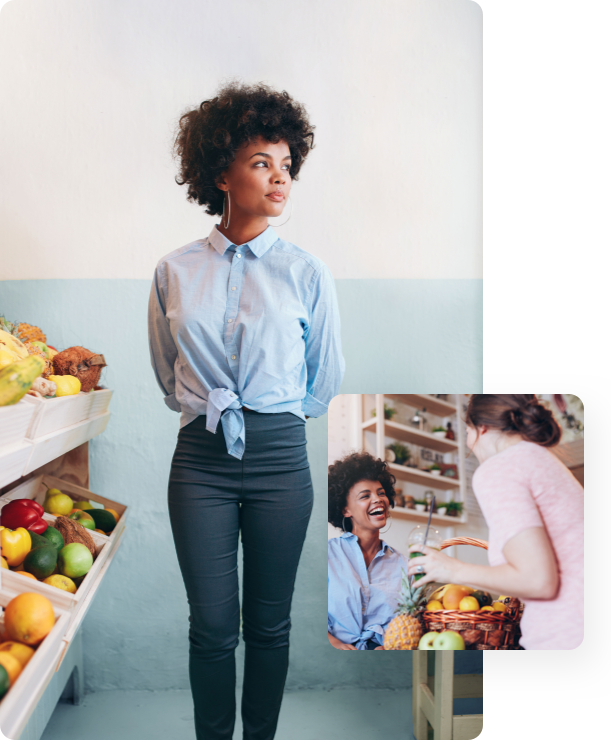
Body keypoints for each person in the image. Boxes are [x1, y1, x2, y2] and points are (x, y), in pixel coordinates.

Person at [148, 81, 345, 739]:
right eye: (263, 162)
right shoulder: (172, 271)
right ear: (220, 173)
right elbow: (166, 371)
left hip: (280, 459)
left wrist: (274, 415)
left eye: (286, 165)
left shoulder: (307, 272)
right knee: (210, 626)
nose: (279, 177)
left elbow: (325, 376)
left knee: (268, 624)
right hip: (200, 459)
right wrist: (211, 406)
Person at [408, 394, 584, 650]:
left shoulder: (499, 468)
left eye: (467, 431)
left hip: (563, 634)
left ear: (482, 427)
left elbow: (538, 581)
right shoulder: (546, 462)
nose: (469, 442)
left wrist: (451, 570)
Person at [327, 452, 407, 650]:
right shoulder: (327, 555)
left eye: (381, 493)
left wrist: (390, 646)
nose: (378, 499)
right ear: (346, 510)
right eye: (365, 496)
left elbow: (410, 623)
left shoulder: (405, 565)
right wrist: (333, 643)